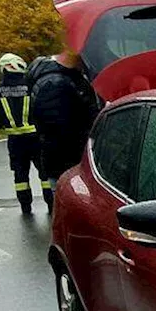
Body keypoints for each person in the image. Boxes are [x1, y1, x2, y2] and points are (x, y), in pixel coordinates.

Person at [27, 50, 100, 203]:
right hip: (67, 165)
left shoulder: (69, 77)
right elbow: (60, 132)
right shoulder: (55, 83)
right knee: (70, 214)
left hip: (68, 163)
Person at [0, 53, 50, 215]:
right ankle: (51, 205)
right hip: (36, 137)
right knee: (45, 173)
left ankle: (25, 207)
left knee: (20, 175)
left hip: (15, 140)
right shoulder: (31, 85)